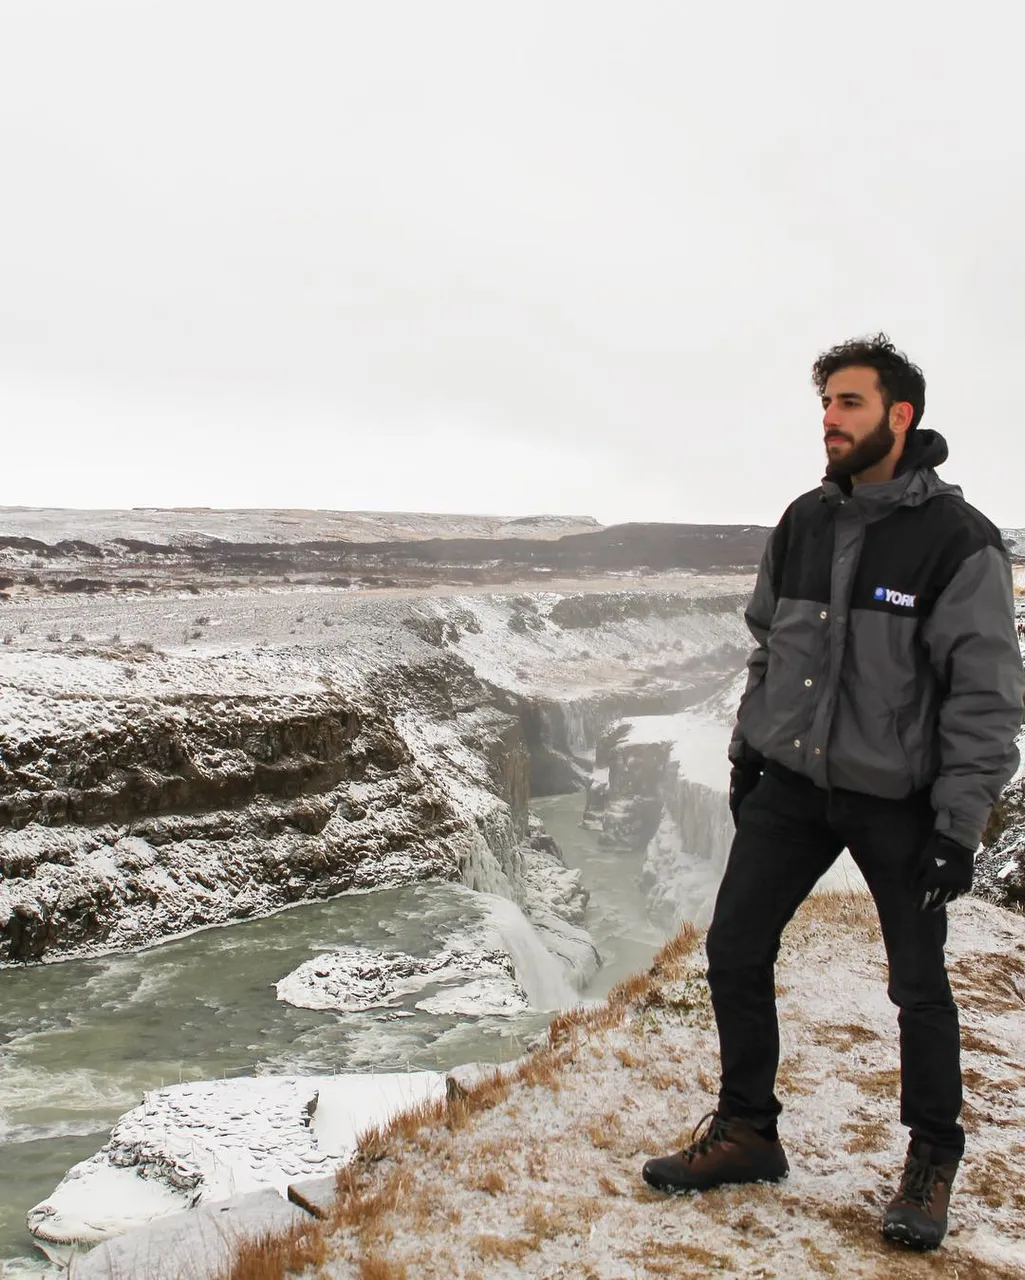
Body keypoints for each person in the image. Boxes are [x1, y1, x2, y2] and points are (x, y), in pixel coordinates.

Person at [642, 334, 1024, 1251]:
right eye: (824, 404)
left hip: (897, 802)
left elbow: (987, 697)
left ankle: (931, 1158)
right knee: (734, 949)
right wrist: (746, 749)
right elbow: (769, 645)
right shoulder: (803, 523)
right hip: (792, 785)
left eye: (848, 403)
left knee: (917, 985)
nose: (828, 420)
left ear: (900, 415)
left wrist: (957, 827)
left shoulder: (956, 543)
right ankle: (746, 1131)